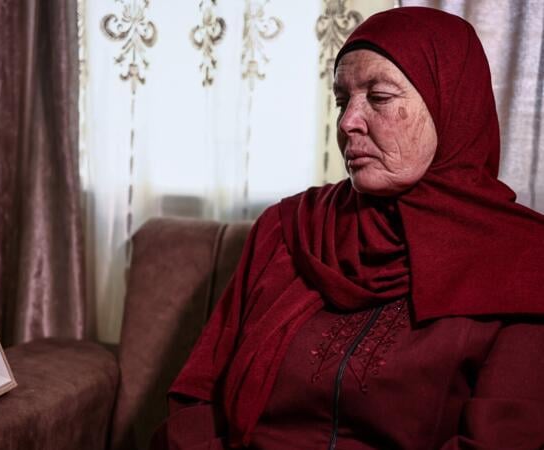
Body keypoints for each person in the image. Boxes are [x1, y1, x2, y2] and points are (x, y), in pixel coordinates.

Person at [152, 7, 544, 450]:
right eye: (342, 100)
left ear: (451, 104)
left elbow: (501, 438)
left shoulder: (526, 262)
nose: (347, 122)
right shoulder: (288, 228)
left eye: (379, 97)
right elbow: (199, 396)